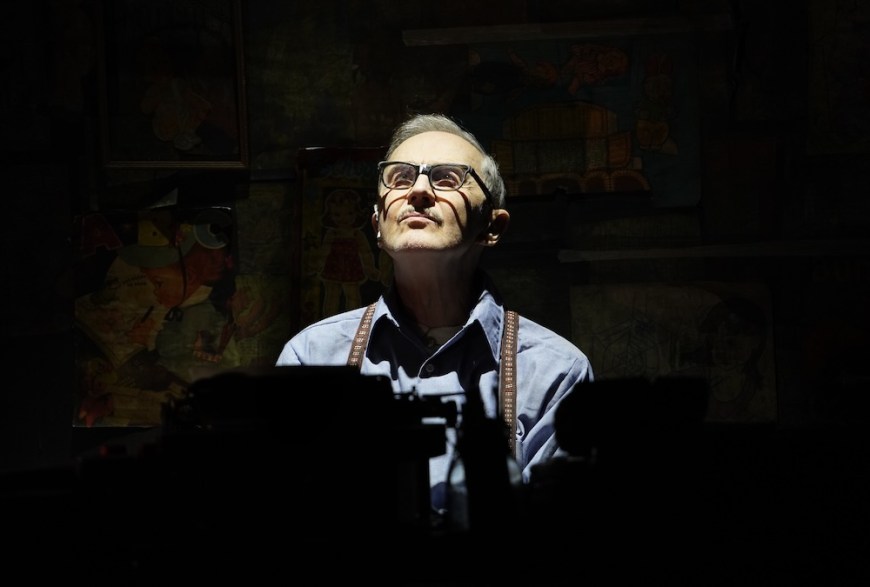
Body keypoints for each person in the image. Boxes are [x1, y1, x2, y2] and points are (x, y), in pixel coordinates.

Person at [276, 113, 594, 514]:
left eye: (447, 178)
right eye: (399, 178)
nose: (419, 190)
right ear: (377, 225)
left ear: (492, 226)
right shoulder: (310, 359)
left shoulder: (556, 373)